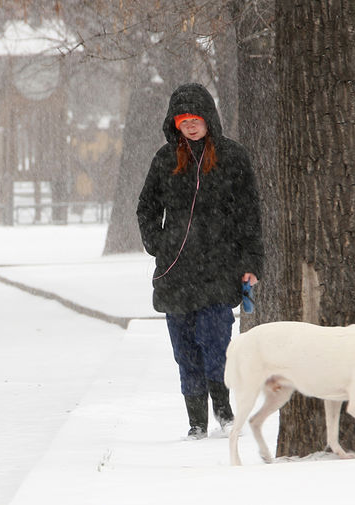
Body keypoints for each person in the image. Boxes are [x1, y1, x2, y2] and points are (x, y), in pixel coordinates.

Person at [137, 83, 264, 440]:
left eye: (196, 119)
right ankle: (196, 423)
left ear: (209, 119)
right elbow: (146, 209)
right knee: (185, 352)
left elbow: (249, 215)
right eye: (183, 119)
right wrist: (159, 244)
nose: (190, 125)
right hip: (176, 273)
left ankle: (224, 414)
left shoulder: (233, 157)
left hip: (217, 271)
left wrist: (251, 261)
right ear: (174, 122)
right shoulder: (164, 160)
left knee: (215, 344)